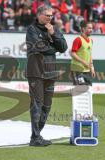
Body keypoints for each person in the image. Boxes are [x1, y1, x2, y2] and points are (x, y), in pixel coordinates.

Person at [26, 5, 68, 146]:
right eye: (47, 15)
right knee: (37, 104)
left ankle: (37, 135)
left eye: (51, 15)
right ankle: (35, 138)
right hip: (36, 72)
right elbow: (39, 47)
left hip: (50, 73)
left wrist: (53, 35)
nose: (49, 17)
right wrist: (53, 47)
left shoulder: (54, 29)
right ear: (39, 15)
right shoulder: (31, 29)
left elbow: (63, 47)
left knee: (47, 106)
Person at [70, 21, 95, 86]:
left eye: (91, 28)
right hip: (77, 69)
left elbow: (90, 54)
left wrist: (92, 67)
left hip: (86, 70)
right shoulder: (78, 39)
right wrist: (83, 62)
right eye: (89, 28)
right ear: (83, 29)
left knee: (89, 90)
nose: (91, 30)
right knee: (79, 90)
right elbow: (73, 53)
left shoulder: (91, 40)